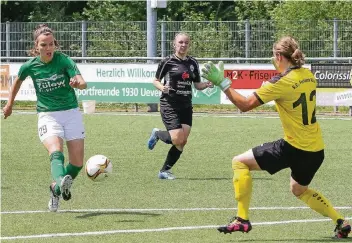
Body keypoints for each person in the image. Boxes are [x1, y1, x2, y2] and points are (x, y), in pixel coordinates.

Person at [201, 36, 351, 238]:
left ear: (279, 56)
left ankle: (242, 219)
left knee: (239, 163)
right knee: (299, 189)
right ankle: (341, 222)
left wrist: (223, 82)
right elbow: (288, 87)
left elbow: (244, 105)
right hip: (315, 150)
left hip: (292, 147)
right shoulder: (308, 75)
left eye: (274, 56)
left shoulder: (280, 82)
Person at [2, 24, 87, 212]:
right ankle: (60, 181)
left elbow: (83, 83)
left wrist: (77, 83)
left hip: (71, 113)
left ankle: (56, 188)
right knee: (55, 150)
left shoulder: (64, 60)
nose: (48, 48)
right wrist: (10, 104)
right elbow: (17, 81)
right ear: (37, 46)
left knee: (77, 163)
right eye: (44, 45)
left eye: (51, 44)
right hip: (48, 115)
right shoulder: (30, 66)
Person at [147, 32, 213, 180]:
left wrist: (207, 84)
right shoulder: (167, 61)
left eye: (186, 43)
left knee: (182, 141)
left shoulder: (193, 63)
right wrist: (162, 88)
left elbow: (197, 85)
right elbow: (155, 80)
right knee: (177, 139)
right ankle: (158, 134)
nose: (183, 45)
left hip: (186, 105)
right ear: (174, 44)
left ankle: (164, 171)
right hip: (169, 104)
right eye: (181, 42)